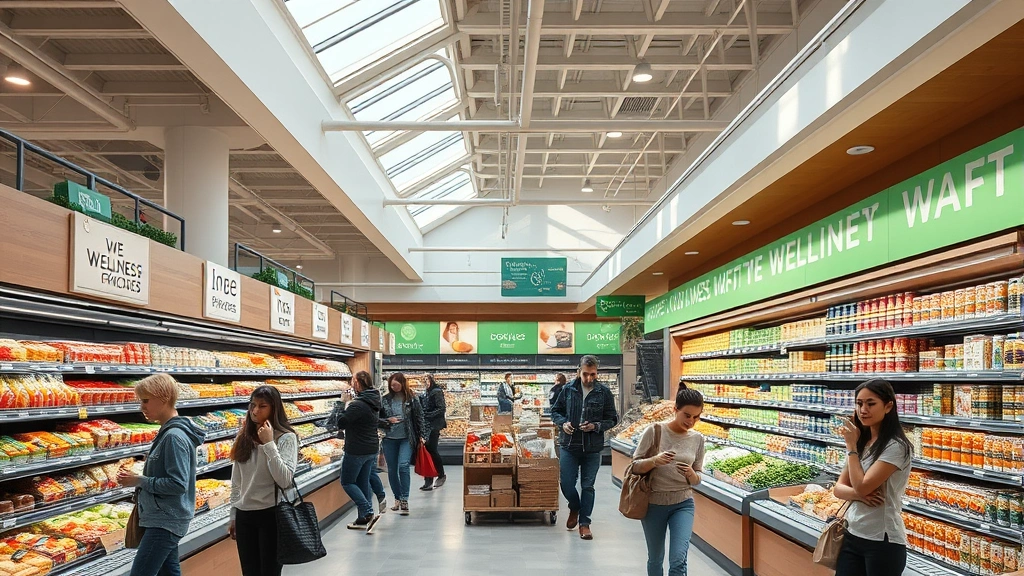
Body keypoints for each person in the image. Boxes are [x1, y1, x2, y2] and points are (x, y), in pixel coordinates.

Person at [120, 374, 205, 576]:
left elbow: (177, 484)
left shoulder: (174, 437)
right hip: (164, 518)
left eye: (146, 400)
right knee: (169, 572)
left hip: (165, 520)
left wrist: (138, 480)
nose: (142, 406)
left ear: (164, 397)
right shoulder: (169, 432)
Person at [833, 379, 913, 576]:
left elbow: (861, 486)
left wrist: (851, 447)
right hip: (852, 533)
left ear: (888, 406)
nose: (863, 410)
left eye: (871, 403)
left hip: (882, 541)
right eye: (859, 403)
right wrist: (860, 496)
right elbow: (839, 489)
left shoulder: (896, 447)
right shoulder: (863, 443)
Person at [631, 385, 706, 576]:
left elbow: (698, 478)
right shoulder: (655, 431)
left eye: (696, 417)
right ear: (675, 410)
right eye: (687, 415)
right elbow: (635, 466)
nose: (691, 421)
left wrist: (691, 474)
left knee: (678, 559)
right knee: (655, 558)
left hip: (683, 504)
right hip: (653, 504)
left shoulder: (698, 439)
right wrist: (654, 461)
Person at [228, 386, 298, 576]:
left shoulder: (286, 438)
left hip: (272, 515)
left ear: (274, 408)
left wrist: (269, 444)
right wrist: (233, 515)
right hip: (245, 516)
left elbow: (285, 480)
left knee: (269, 572)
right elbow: (237, 482)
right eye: (253, 405)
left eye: (262, 406)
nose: (255, 411)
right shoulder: (243, 437)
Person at [550, 355, 619, 540]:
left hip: (592, 447)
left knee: (588, 486)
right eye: (586, 374)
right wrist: (563, 423)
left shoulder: (604, 393)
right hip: (569, 445)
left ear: (597, 373)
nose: (589, 379)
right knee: (566, 483)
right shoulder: (567, 390)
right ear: (578, 371)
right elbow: (555, 411)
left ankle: (585, 523)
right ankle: (574, 506)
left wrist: (596, 426)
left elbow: (613, 418)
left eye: (593, 375)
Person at [323, 371, 382, 532]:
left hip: (357, 449)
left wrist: (342, 403)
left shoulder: (358, 404)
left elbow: (340, 423)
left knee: (347, 481)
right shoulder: (374, 399)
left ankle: (368, 511)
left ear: (357, 383)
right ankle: (363, 518)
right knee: (363, 482)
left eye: (352, 381)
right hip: (371, 448)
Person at [379, 372, 427, 514]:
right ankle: (397, 498)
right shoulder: (385, 399)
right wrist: (388, 421)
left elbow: (420, 417)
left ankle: (405, 499)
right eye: (391, 385)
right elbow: (378, 418)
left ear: (402, 383)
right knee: (392, 470)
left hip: (407, 437)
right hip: (389, 439)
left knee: (403, 465)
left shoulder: (412, 399)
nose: (394, 387)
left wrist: (422, 436)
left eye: (396, 384)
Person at [419, 374, 447, 491]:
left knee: (431, 450)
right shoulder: (425, 393)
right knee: (427, 451)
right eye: (423, 380)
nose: (425, 383)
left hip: (434, 426)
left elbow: (441, 408)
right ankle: (428, 479)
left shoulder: (436, 392)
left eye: (427, 380)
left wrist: (427, 415)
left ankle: (440, 475)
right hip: (425, 425)